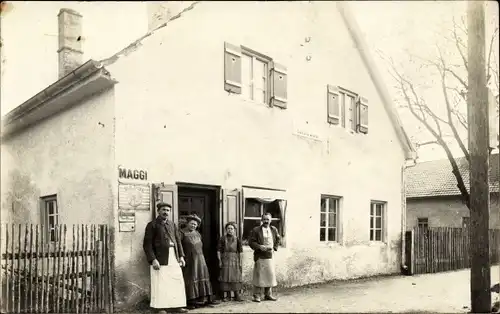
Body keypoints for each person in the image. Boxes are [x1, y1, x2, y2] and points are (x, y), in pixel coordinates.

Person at [143, 202, 188, 313]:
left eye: (168, 210)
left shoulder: (172, 224)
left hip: (174, 256)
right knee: (161, 283)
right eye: (163, 210)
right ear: (158, 211)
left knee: (176, 281)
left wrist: (181, 256)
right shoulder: (152, 225)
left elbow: (178, 241)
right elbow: (147, 245)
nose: (165, 212)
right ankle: (160, 307)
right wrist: (153, 259)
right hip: (160, 258)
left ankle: (177, 305)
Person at [180, 214, 219, 309]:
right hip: (189, 259)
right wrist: (181, 257)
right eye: (192, 223)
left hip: (200, 258)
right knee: (192, 277)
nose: (193, 226)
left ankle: (205, 300)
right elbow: (179, 246)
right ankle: (191, 301)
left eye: (195, 224)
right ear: (187, 223)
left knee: (202, 275)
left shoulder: (197, 233)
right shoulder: (181, 233)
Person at [248, 212, 281, 302]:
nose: (266, 221)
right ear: (262, 220)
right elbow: (251, 242)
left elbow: (278, 238)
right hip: (260, 256)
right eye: (264, 219)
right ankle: (257, 296)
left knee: (269, 275)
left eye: (268, 219)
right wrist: (259, 246)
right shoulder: (256, 230)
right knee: (259, 276)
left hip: (270, 256)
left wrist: (275, 248)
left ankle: (268, 294)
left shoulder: (274, 229)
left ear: (270, 220)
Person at [217, 222, 244, 302]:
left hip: (235, 260)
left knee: (235, 277)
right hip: (225, 259)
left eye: (231, 228)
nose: (230, 230)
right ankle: (228, 295)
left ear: (234, 230)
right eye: (228, 228)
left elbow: (241, 252)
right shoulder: (222, 238)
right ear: (226, 230)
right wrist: (220, 261)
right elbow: (218, 251)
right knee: (226, 276)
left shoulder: (237, 239)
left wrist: (240, 262)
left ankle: (237, 295)